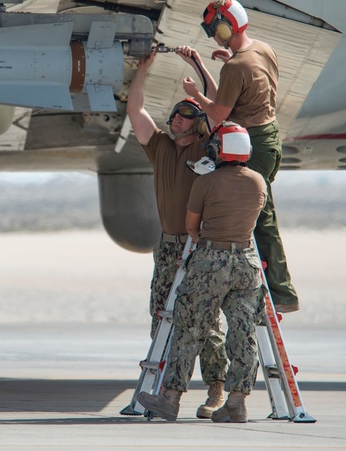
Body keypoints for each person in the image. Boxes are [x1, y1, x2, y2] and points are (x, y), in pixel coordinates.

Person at [138, 121, 267, 423]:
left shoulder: (206, 182)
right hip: (246, 263)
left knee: (190, 328)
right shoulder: (259, 182)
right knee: (243, 332)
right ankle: (236, 403)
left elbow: (191, 227)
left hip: (211, 261)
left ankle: (170, 400)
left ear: (218, 150)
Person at [180, 0, 299, 312]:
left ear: (224, 27)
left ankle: (282, 292)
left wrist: (195, 95)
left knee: (261, 216)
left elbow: (218, 114)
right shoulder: (262, 49)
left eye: (214, 29)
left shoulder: (235, 66)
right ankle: (270, 286)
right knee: (258, 211)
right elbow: (246, 89)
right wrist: (217, 66)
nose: (214, 35)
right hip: (270, 136)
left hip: (254, 144)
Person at [126, 51, 228, 419]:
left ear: (197, 122)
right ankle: (159, 391)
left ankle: (216, 388)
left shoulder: (207, 149)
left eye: (185, 115)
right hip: (168, 247)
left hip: (198, 247)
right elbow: (136, 112)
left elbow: (220, 111)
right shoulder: (161, 148)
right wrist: (142, 70)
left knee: (205, 320)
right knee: (160, 316)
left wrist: (199, 70)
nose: (176, 120)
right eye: (173, 115)